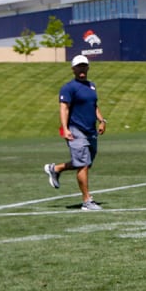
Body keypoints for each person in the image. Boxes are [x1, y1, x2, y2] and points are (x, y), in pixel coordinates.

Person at [44, 55, 107, 211]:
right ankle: (87, 201)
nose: (82, 68)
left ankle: (55, 169)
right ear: (73, 69)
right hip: (75, 129)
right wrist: (65, 128)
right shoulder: (68, 88)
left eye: (84, 66)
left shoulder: (91, 86)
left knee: (85, 163)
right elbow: (63, 108)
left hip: (90, 130)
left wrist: (102, 120)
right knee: (83, 164)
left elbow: (94, 105)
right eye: (79, 66)